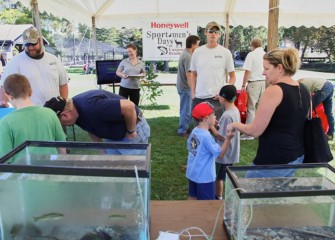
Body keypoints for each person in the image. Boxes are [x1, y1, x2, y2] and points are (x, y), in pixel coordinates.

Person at [227, 48, 310, 178]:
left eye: (266, 68)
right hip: (296, 155)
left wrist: (235, 125)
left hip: (274, 158)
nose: (263, 73)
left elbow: (255, 130)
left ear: (280, 68)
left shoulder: (274, 91)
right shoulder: (303, 88)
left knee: (250, 194)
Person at [44, 89, 150, 154]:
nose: (61, 126)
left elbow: (129, 106)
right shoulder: (74, 113)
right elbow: (90, 127)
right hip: (113, 135)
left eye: (59, 123)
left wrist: (131, 132)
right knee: (114, 170)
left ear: (65, 115)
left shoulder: (92, 106)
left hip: (131, 129)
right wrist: (100, 147)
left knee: (132, 172)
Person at [0, 74, 66, 157]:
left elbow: (4, 158)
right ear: (30, 92)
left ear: (8, 95)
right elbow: (62, 146)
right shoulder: (50, 114)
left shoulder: (5, 122)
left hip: (21, 169)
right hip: (50, 167)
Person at [0, 27, 68, 107]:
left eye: (33, 44)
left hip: (53, 111)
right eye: (27, 44)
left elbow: (63, 84)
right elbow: (4, 87)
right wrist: (2, 102)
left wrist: (63, 103)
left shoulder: (54, 60)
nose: (31, 48)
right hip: (28, 113)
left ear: (40, 41)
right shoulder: (15, 62)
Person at [186, 102, 235, 200]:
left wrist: (212, 123)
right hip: (205, 177)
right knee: (207, 205)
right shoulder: (207, 137)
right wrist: (228, 139)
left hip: (193, 173)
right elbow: (220, 154)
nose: (215, 116)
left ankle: (190, 215)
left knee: (192, 197)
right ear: (206, 118)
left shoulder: (195, 130)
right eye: (213, 114)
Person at [189, 21, 236, 121]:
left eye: (216, 31)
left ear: (219, 35)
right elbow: (193, 74)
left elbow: (233, 77)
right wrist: (193, 93)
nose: (213, 34)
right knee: (200, 131)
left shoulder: (225, 52)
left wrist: (223, 93)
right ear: (205, 33)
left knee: (218, 132)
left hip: (217, 99)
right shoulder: (197, 52)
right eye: (211, 31)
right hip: (199, 97)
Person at [215, 85, 240, 200]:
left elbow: (221, 136)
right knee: (227, 174)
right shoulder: (235, 110)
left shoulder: (226, 115)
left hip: (224, 154)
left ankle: (218, 198)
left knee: (219, 177)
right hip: (232, 151)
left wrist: (211, 127)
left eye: (219, 96)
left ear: (223, 99)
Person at [240, 38, 266, 140]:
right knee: (259, 108)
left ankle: (249, 133)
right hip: (263, 82)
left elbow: (247, 71)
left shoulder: (251, 55)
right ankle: (259, 130)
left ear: (252, 45)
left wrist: (243, 85)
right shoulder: (265, 54)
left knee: (251, 108)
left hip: (254, 82)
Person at [176, 35, 200, 137]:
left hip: (183, 86)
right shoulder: (188, 56)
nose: (198, 47)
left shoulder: (185, 53)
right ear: (193, 44)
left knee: (186, 109)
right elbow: (189, 74)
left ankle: (185, 127)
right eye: (198, 44)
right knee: (186, 110)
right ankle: (182, 131)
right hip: (186, 87)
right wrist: (193, 88)